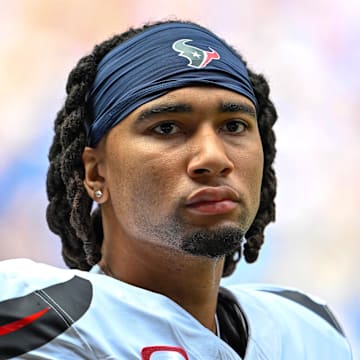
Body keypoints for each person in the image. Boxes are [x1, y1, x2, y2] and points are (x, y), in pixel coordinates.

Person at [0, 20, 352, 359]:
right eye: (167, 128)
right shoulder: (39, 320)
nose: (213, 157)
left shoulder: (309, 330)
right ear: (95, 173)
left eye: (234, 125)